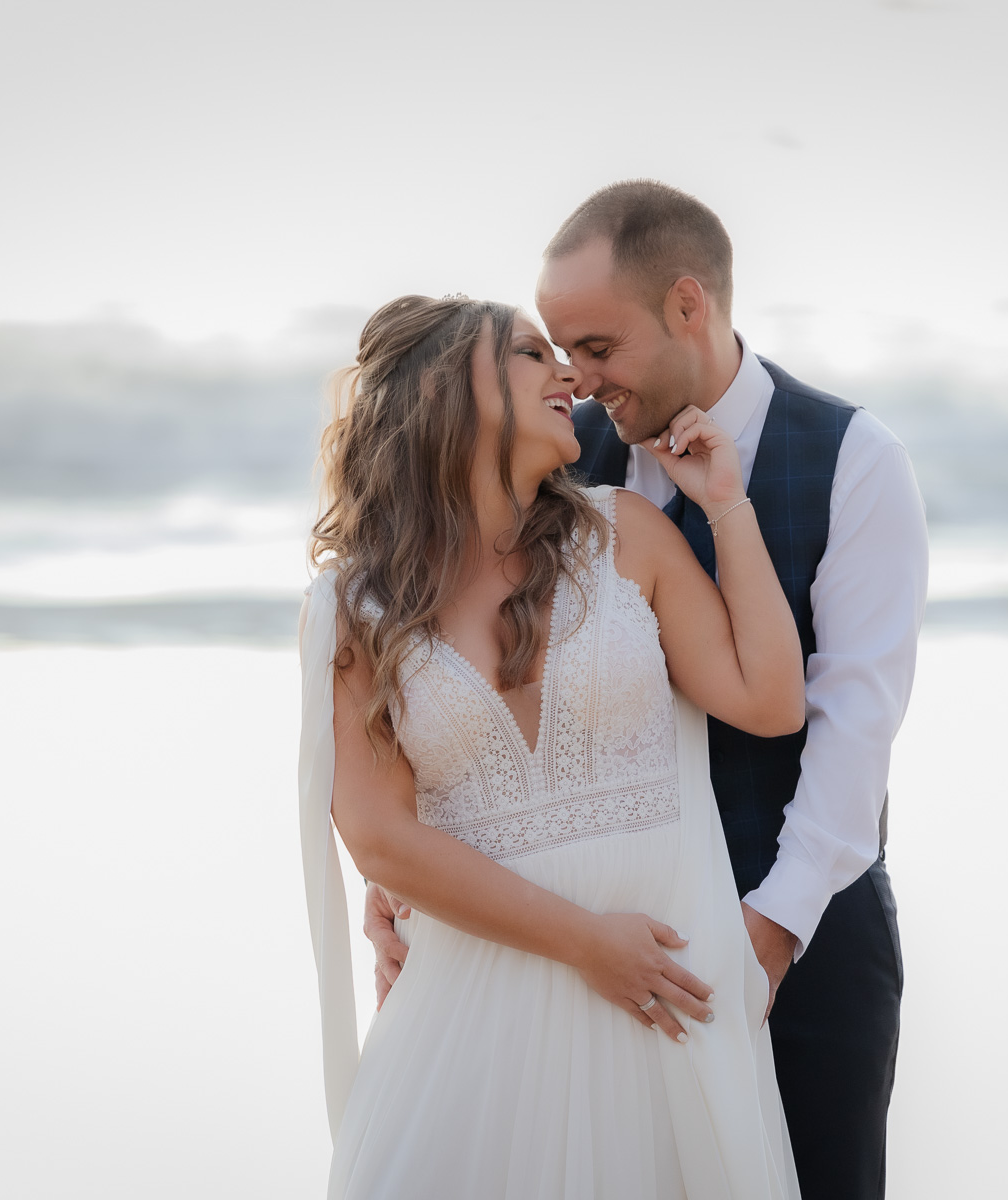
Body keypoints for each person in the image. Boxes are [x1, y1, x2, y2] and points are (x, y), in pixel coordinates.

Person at [367, 182, 928, 1199]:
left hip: (801, 926)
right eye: (559, 350)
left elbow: (855, 730)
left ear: (686, 307)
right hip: (597, 951)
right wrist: (403, 879)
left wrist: (765, 937)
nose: (579, 378)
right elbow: (463, 664)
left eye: (596, 346)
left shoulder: (856, 461)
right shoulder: (554, 453)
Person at [298, 293, 810, 1198]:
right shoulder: (354, 607)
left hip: (662, 1021)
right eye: (535, 354)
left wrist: (727, 506)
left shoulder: (626, 535)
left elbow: (769, 701)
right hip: (471, 1028)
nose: (569, 375)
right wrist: (584, 941)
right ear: (449, 391)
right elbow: (380, 839)